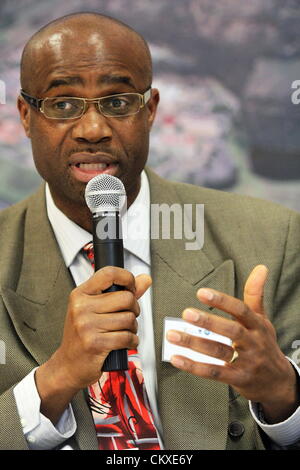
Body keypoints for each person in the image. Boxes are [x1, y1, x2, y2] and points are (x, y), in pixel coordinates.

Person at [0, 12, 300, 450]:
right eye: (63, 105)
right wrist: (54, 380)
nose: (93, 130)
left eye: (118, 102)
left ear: (151, 110)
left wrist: (284, 396)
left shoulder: (274, 238)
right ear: (26, 116)